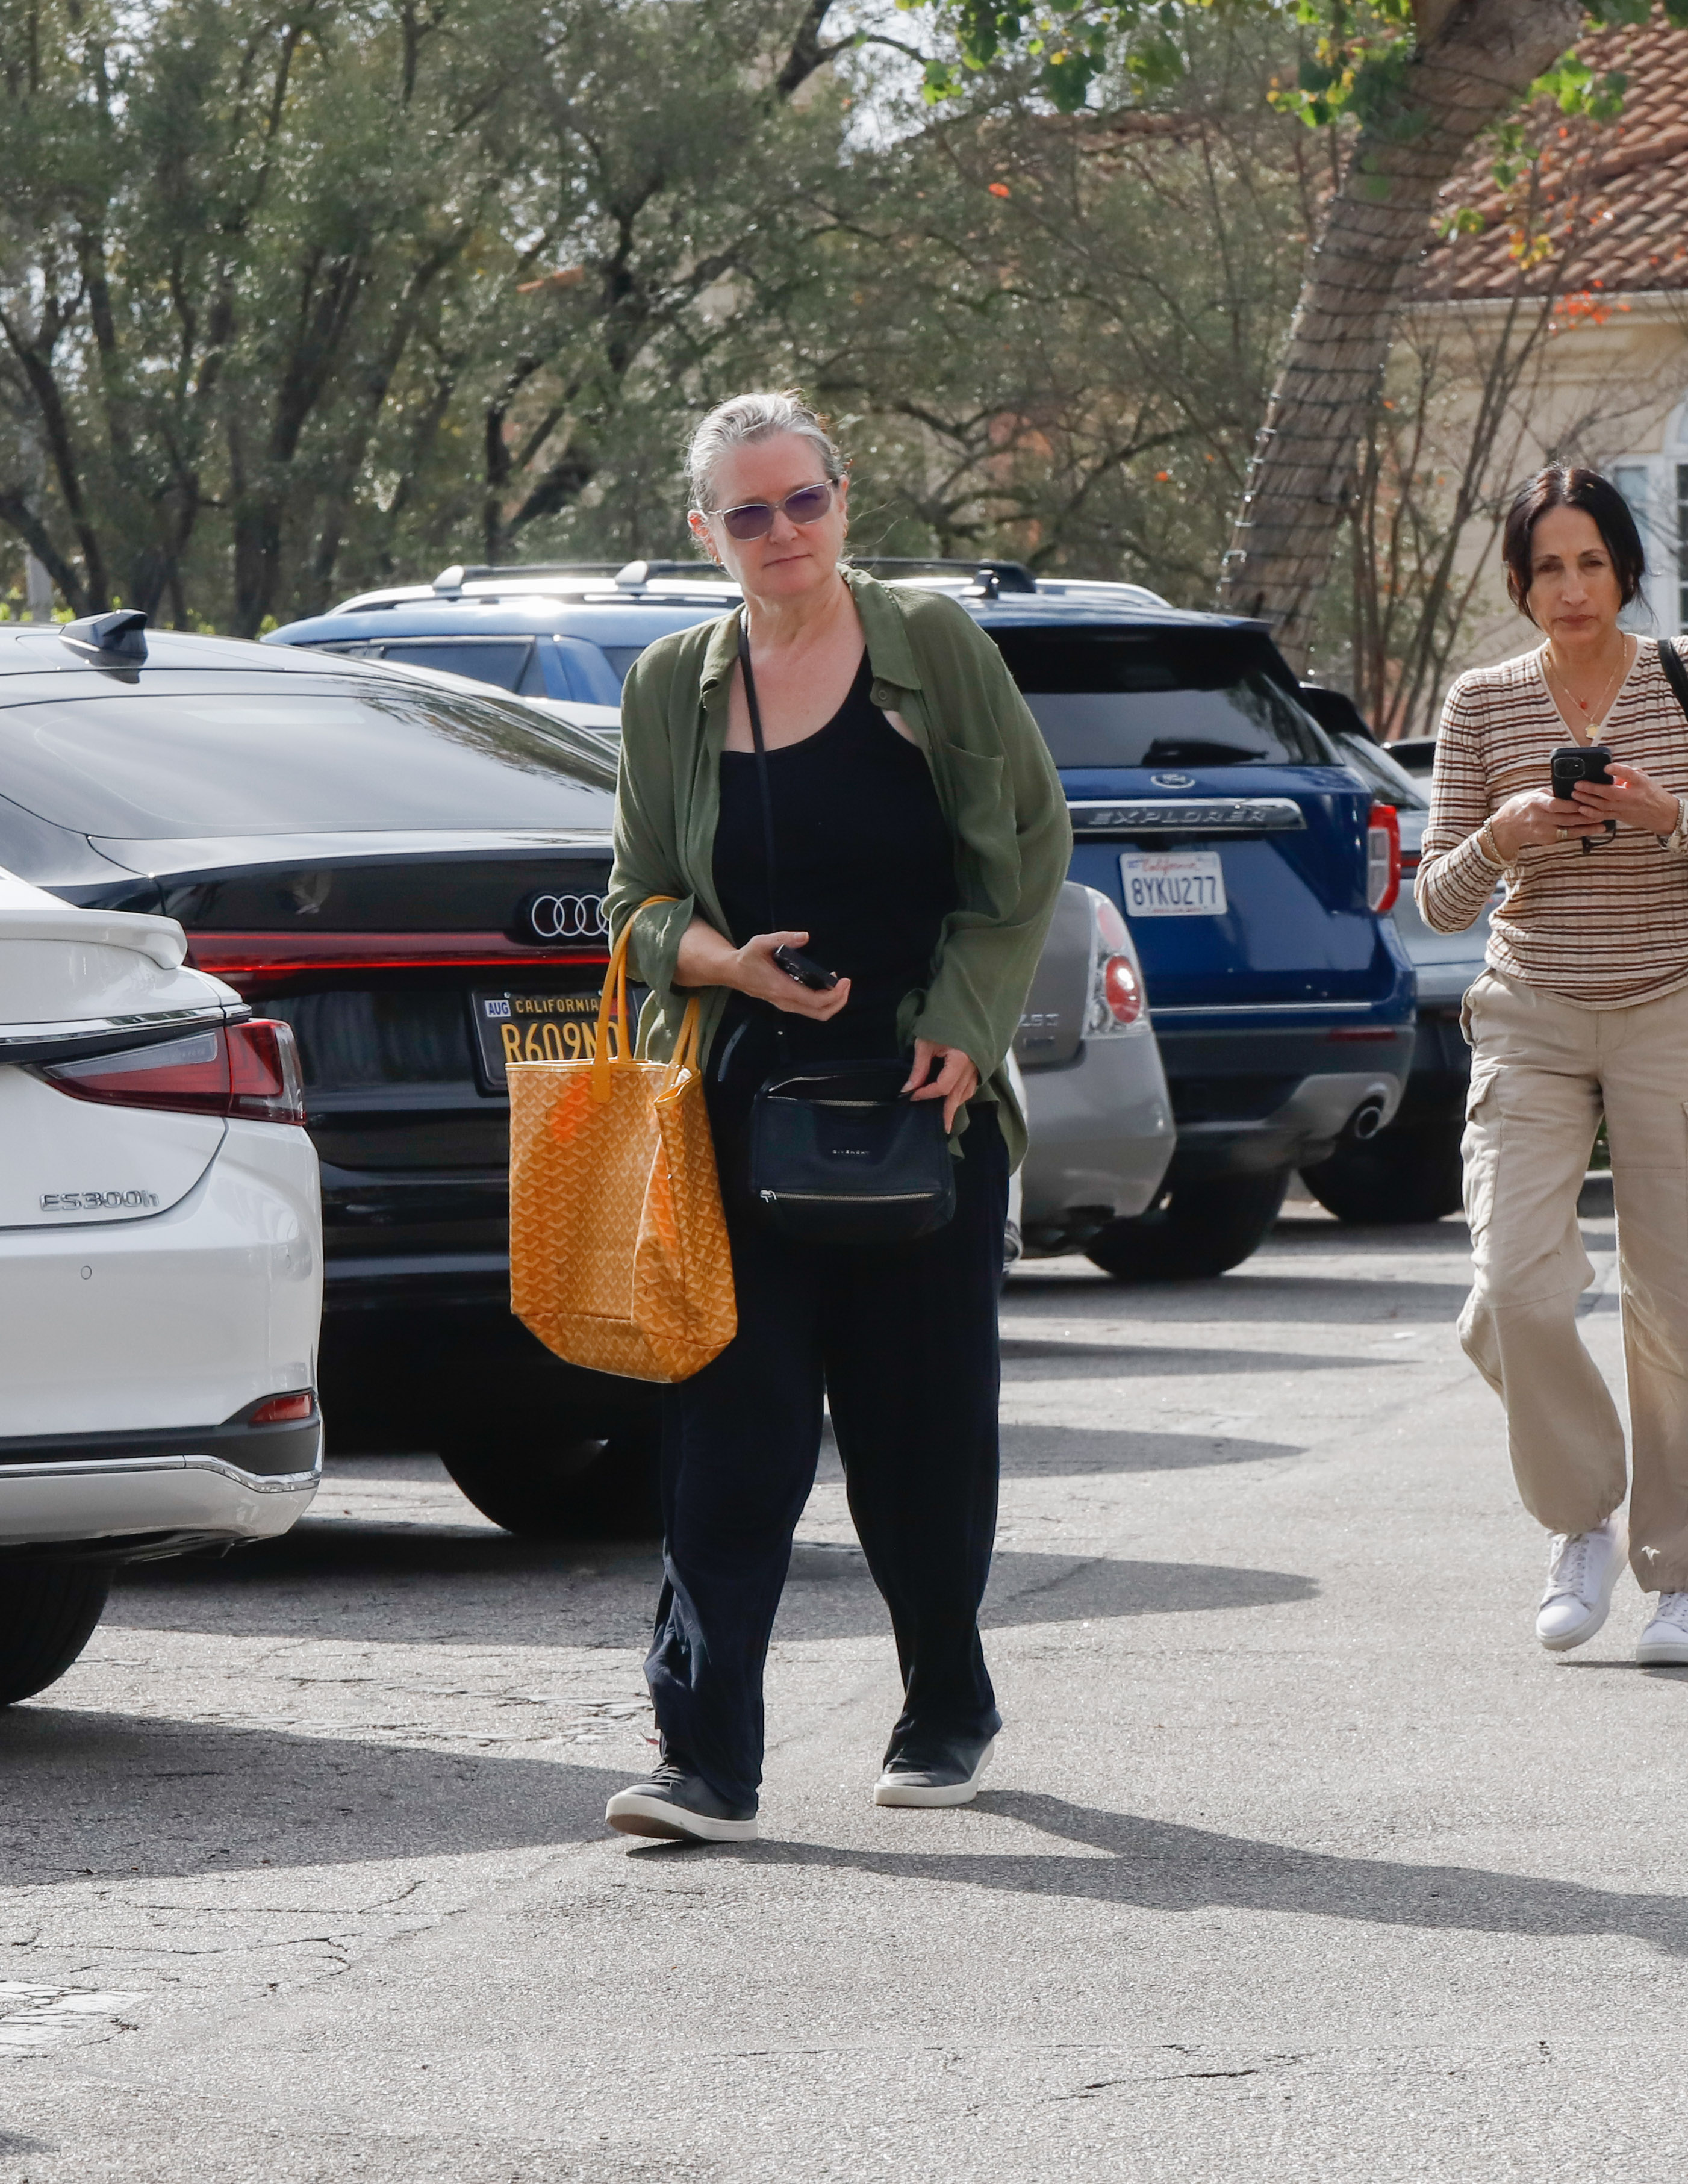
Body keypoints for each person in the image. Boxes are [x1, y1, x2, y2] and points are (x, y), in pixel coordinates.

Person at [599, 393, 1070, 1843]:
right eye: (748, 513)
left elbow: (1029, 849)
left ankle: (945, 1697)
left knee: (919, 1432)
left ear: (842, 500)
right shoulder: (673, 684)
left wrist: (959, 1018)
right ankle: (707, 1757)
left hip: (925, 1102)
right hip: (745, 1109)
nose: (782, 532)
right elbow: (631, 909)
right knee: (729, 1438)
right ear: (705, 532)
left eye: (802, 500)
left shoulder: (932, 648)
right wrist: (724, 961)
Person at [1418, 464, 1688, 1664]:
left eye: (1589, 562)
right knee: (1516, 1289)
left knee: (1672, 1307)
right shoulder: (1481, 703)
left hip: (1670, 1005)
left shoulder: (1681, 680)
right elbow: (1435, 899)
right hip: (1526, 1011)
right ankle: (1579, 1512)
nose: (1570, 589)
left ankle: (1676, 1573)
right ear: (1520, 584)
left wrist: (1662, 817)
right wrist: (1506, 832)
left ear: (1623, 567)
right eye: (1546, 569)